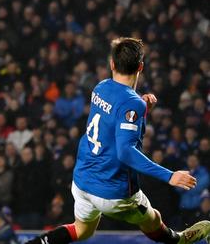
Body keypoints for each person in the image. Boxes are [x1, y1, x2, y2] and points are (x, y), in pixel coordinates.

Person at [26, 37, 210, 244]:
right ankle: (180, 240)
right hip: (113, 192)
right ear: (141, 66)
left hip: (82, 181)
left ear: (112, 64)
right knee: (153, 219)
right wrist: (169, 176)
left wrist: (142, 111)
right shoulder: (132, 104)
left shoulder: (100, 87)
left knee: (82, 231)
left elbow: (110, 120)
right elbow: (125, 151)